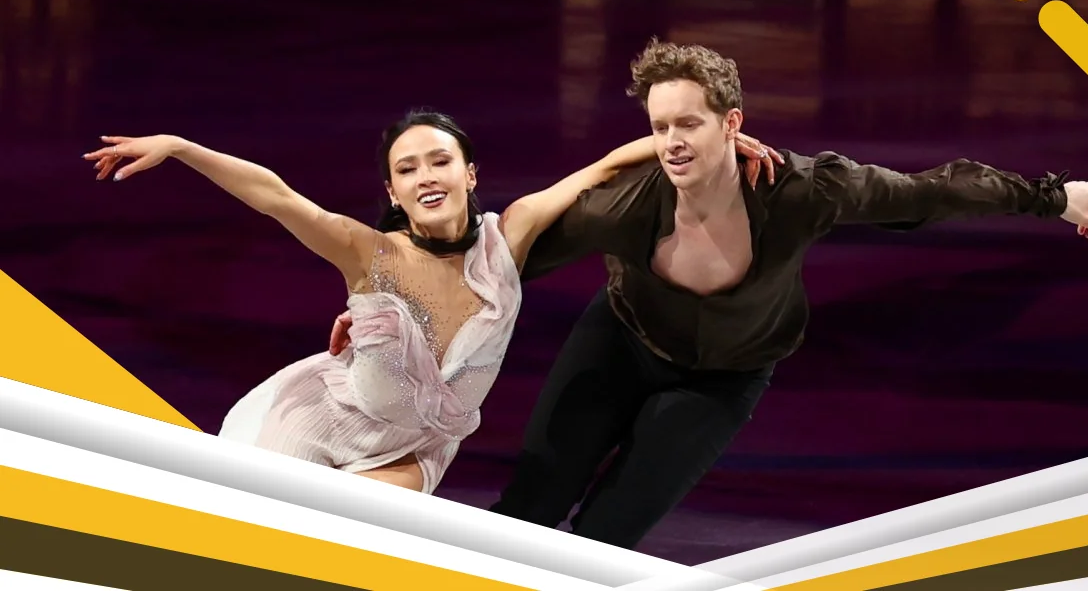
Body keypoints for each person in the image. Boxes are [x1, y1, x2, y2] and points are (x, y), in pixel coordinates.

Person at [330, 38, 1088, 547]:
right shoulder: (623, 207)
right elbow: (493, 267)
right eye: (659, 127)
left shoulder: (802, 191)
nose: (672, 143)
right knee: (529, 508)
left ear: (732, 123)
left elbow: (927, 191)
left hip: (723, 382)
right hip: (619, 344)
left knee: (604, 540)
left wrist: (1054, 196)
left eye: (690, 124)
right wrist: (388, 313)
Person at [81, 109, 784, 495]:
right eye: (407, 169)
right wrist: (182, 146)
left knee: (364, 551)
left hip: (418, 445)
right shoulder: (368, 253)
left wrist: (706, 143)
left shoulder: (509, 237)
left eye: (440, 160)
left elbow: (601, 169)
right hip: (323, 421)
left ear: (469, 173)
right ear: (392, 192)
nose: (426, 176)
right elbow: (276, 197)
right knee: (261, 540)